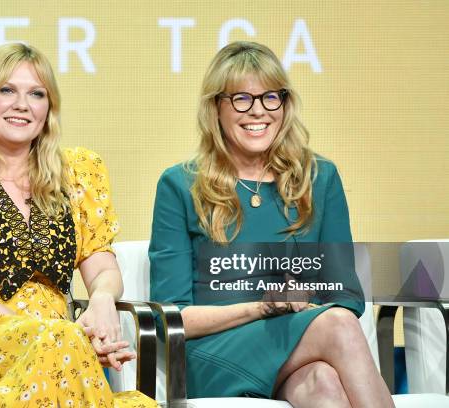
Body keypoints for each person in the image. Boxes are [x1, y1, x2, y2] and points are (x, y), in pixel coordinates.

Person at [0, 43, 157, 408]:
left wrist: (101, 301)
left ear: (48, 109)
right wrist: (64, 338)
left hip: (62, 350)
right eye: (7, 90)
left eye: (36, 94)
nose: (22, 104)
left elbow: (103, 267)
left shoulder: (79, 174)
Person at [149, 41, 394, 407]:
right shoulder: (180, 184)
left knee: (325, 385)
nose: (258, 111)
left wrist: (297, 305)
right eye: (242, 99)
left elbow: (345, 296)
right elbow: (172, 317)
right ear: (216, 107)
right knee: (338, 325)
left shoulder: (319, 178)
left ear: (285, 103)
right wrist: (261, 307)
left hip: (295, 342)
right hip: (214, 351)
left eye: (270, 98)